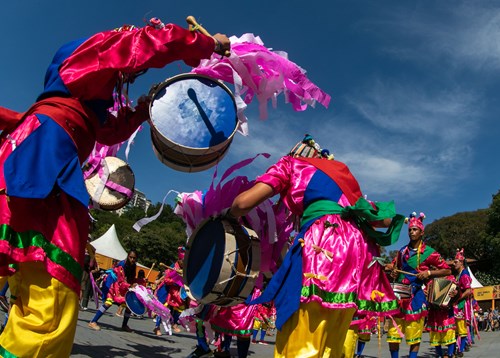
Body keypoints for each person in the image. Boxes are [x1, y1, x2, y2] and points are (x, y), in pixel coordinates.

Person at [0, 16, 230, 357]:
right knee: (51, 293)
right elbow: (146, 44)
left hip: (35, 156)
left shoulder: (84, 97)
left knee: (34, 279)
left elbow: (106, 132)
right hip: (45, 160)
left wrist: (140, 110)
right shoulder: (94, 50)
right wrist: (206, 45)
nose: (129, 77)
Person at [226, 134, 405, 358]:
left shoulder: (291, 164)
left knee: (301, 337)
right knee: (334, 340)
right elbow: (382, 219)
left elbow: (243, 203)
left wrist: (228, 215)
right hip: (357, 251)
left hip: (322, 245)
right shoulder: (341, 172)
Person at [385, 212, 451, 358]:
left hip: (416, 296)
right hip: (400, 295)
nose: (411, 232)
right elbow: (396, 268)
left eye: (415, 229)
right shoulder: (402, 251)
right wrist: (393, 272)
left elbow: (447, 269)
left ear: (422, 232)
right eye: (409, 230)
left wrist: (429, 274)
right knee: (393, 334)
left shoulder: (430, 252)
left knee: (414, 334)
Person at [88, 249, 139, 332]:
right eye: (131, 257)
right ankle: (93, 321)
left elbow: (131, 278)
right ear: (128, 256)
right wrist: (130, 285)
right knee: (108, 303)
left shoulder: (133, 266)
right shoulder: (121, 265)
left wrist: (137, 283)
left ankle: (124, 325)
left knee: (129, 306)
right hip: (113, 285)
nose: (132, 260)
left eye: (134, 258)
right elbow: (121, 280)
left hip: (123, 287)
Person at [153, 247, 188, 336]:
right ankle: (157, 327)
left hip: (176, 291)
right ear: (179, 260)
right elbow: (166, 280)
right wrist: (176, 280)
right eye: (183, 260)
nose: (184, 263)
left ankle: (174, 323)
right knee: (162, 308)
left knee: (180, 308)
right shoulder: (173, 267)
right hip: (166, 289)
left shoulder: (185, 269)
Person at [449, 249, 473, 357]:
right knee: (455, 328)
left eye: (456, 262)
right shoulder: (458, 274)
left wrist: (458, 298)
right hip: (457, 304)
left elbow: (468, 290)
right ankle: (454, 349)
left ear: (461, 262)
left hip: (462, 304)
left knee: (461, 328)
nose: (454, 264)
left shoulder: (464, 274)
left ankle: (461, 349)